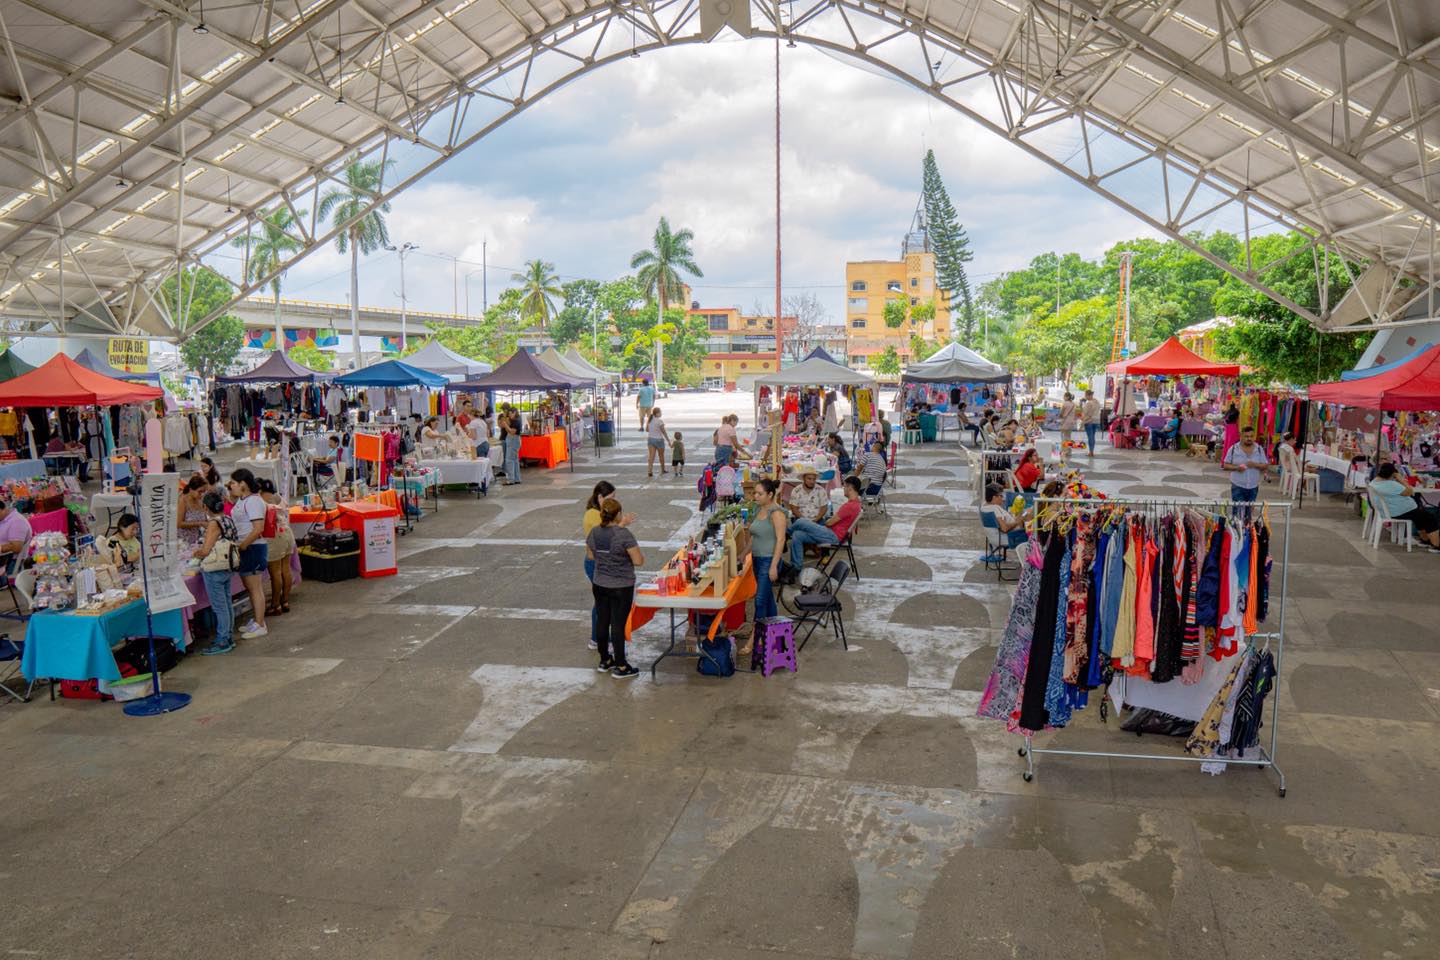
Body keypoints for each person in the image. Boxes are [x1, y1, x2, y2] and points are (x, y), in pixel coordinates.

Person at [586, 498, 643, 678]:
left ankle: (605, 660)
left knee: (602, 621)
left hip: (600, 583)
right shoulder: (624, 535)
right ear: (618, 514)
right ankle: (622, 665)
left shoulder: (594, 532)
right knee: (618, 624)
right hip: (621, 586)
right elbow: (638, 561)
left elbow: (590, 556)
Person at [742, 477, 788, 659]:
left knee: (760, 601)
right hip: (757, 559)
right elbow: (754, 536)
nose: (756, 496)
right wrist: (743, 554)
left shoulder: (777, 513)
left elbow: (781, 540)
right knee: (767, 600)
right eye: (755, 493)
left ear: (770, 495)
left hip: (769, 560)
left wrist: (774, 566)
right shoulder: (758, 509)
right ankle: (774, 636)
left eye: (759, 494)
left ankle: (754, 639)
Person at [192, 491, 240, 656]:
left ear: (206, 507)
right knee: (226, 603)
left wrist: (196, 553)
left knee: (220, 607)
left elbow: (206, 550)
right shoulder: (227, 519)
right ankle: (228, 636)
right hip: (227, 565)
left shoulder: (214, 523)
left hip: (214, 568)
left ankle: (222, 640)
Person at [786, 475, 863, 576]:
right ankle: (796, 567)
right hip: (834, 533)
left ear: (850, 487)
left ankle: (785, 535)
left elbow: (829, 523)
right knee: (797, 535)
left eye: (844, 486)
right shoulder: (856, 503)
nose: (843, 489)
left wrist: (825, 521)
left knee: (801, 522)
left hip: (833, 535)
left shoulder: (849, 506)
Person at [227, 468, 269, 639]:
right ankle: (257, 620)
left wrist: (243, 546)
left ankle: (260, 624)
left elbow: (258, 528)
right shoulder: (242, 500)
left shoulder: (253, 502)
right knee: (250, 588)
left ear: (243, 484)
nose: (230, 486)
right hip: (245, 547)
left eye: (233, 483)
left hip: (253, 548)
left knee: (255, 588)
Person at [582, 481, 625, 651]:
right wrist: (622, 524)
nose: (614, 500)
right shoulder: (593, 515)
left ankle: (597, 638)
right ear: (600, 497)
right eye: (611, 497)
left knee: (602, 602)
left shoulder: (599, 512)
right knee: (604, 603)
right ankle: (599, 639)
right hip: (596, 563)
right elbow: (605, 535)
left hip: (602, 561)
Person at [1370, 463, 1440, 551]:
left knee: (1420, 516)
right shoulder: (1391, 484)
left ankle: (1425, 541)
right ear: (1393, 474)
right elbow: (1410, 492)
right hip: (1399, 512)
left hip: (1390, 510)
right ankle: (1437, 545)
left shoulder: (1374, 482)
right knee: (1429, 517)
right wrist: (1402, 480)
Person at [258, 479, 295, 617]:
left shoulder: (260, 501)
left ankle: (275, 605)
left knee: (275, 573)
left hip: (274, 536)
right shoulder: (276, 496)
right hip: (286, 532)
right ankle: (284, 601)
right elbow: (285, 507)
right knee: (286, 569)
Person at [1221, 425, 1273, 513]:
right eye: (1246, 436)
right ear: (1241, 436)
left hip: (1253, 487)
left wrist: (1255, 465)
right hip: (1238, 486)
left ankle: (1247, 521)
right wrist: (1237, 468)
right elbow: (1225, 465)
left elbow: (1265, 465)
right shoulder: (1233, 449)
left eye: (1251, 436)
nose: (1249, 438)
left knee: (1248, 514)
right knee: (1238, 513)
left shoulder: (1259, 449)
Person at [981, 483, 1031, 547]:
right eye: (1001, 496)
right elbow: (1004, 529)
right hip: (1010, 537)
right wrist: (1017, 522)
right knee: (1030, 517)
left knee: (1025, 513)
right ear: (994, 497)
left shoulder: (984, 506)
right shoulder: (994, 509)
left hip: (993, 538)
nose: (1003, 498)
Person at [177, 475, 210, 551]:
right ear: (191, 490)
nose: (202, 494)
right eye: (199, 491)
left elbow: (205, 518)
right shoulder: (183, 501)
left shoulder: (201, 500)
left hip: (197, 541)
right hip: (183, 543)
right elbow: (179, 524)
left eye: (204, 491)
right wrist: (199, 523)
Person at [646, 406, 670, 478]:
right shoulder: (660, 421)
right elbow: (664, 432)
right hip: (659, 440)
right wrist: (668, 440)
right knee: (661, 456)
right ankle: (663, 470)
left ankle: (650, 471)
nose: (661, 413)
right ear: (657, 413)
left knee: (651, 456)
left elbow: (647, 430)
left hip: (650, 439)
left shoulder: (650, 420)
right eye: (660, 412)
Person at [501, 414, 522, 485]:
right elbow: (509, 431)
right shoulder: (514, 421)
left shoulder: (516, 421)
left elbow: (512, 432)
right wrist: (506, 425)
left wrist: (506, 425)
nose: (508, 416)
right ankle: (516, 479)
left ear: (513, 413)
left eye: (509, 414)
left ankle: (511, 479)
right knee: (514, 461)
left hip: (513, 441)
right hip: (513, 441)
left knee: (509, 460)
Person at [1081, 390, 1101, 455]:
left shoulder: (1089, 403)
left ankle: (1091, 452)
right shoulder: (1097, 402)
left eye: (1086, 395)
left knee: (1090, 436)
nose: (1085, 397)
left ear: (1089, 395)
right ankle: (1092, 451)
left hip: (1089, 421)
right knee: (1092, 436)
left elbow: (1085, 412)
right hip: (1096, 420)